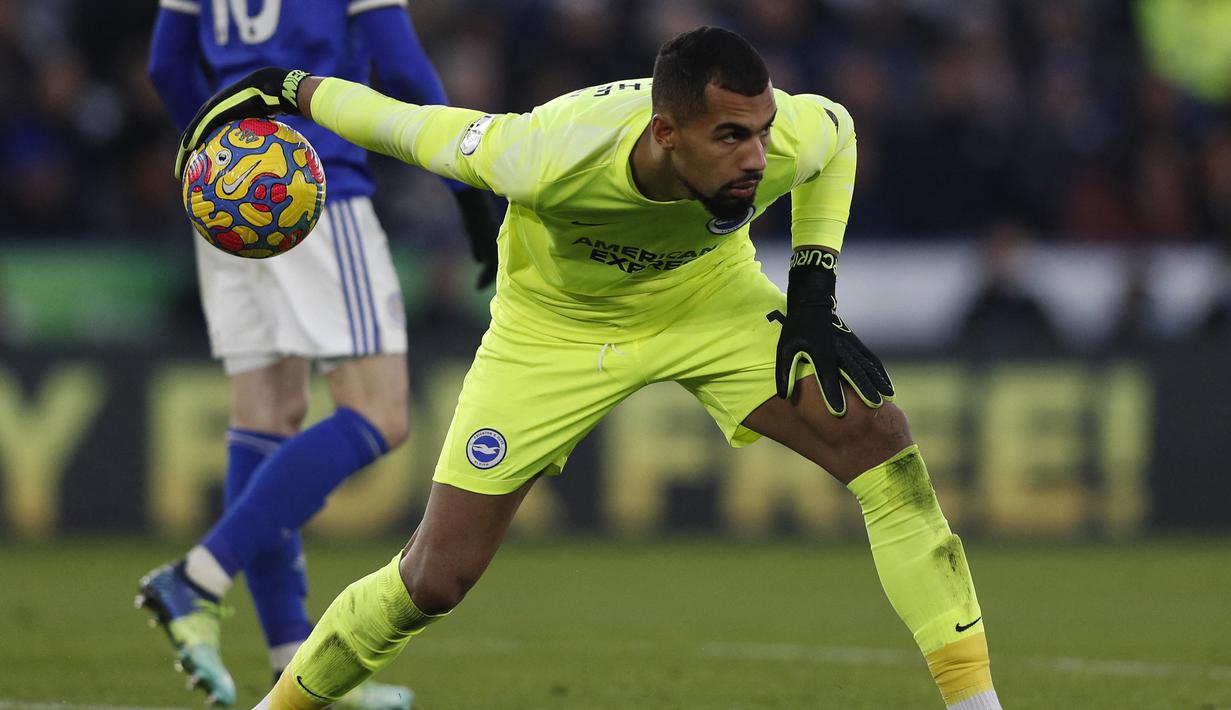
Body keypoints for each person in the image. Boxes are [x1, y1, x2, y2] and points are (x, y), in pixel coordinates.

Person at [173, 26, 1004, 710]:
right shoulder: (542, 153)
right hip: (551, 332)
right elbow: (402, 125)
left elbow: (839, 135)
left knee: (880, 446)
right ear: (665, 132)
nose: (756, 159)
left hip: (702, 301)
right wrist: (285, 88)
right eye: (730, 137)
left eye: (759, 132)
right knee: (435, 578)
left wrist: (813, 291)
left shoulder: (780, 135)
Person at [137, 1, 498, 708]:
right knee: (381, 412)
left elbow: (165, 63)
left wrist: (215, 156)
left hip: (225, 195)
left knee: (266, 417)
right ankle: (200, 576)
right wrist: (464, 188)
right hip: (310, 188)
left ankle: (288, 666)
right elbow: (398, 63)